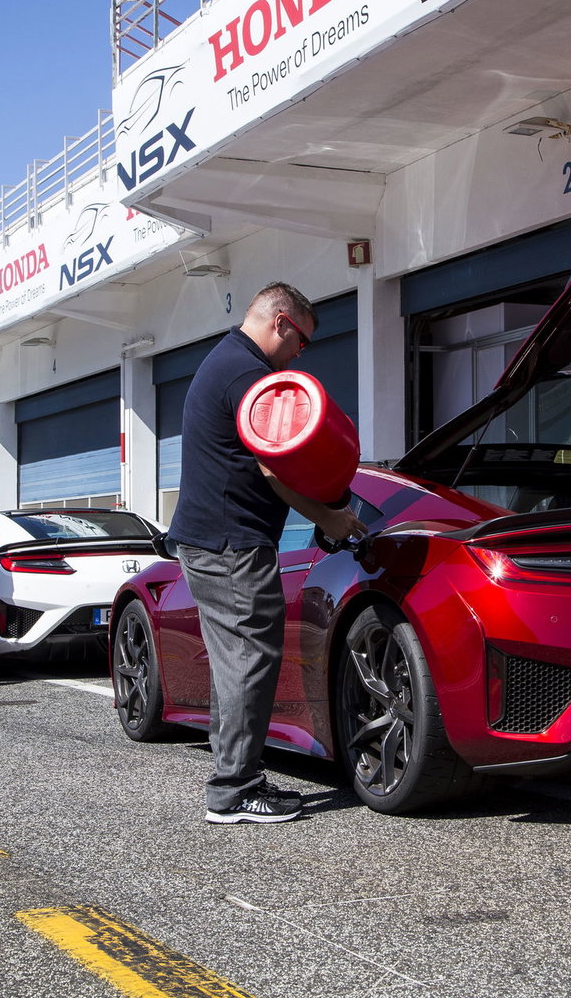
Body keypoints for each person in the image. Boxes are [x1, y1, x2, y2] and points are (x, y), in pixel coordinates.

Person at [167, 283, 367, 824]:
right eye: (301, 341)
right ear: (281, 322)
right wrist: (327, 516)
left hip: (210, 538)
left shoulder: (227, 361)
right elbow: (272, 466)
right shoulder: (249, 376)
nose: (301, 354)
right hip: (230, 541)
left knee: (236, 660)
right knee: (251, 658)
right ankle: (234, 789)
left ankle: (235, 780)